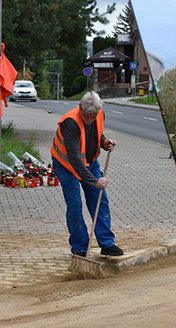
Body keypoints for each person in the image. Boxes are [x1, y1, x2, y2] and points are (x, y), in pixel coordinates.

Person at [50, 91, 124, 257]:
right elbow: (75, 160)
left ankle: (107, 243)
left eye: (93, 117)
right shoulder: (70, 122)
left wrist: (104, 143)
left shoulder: (98, 114)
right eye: (86, 117)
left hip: (90, 162)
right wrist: (95, 181)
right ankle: (80, 247)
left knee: (99, 200)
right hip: (67, 166)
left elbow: (96, 134)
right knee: (75, 205)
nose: (89, 120)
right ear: (80, 109)